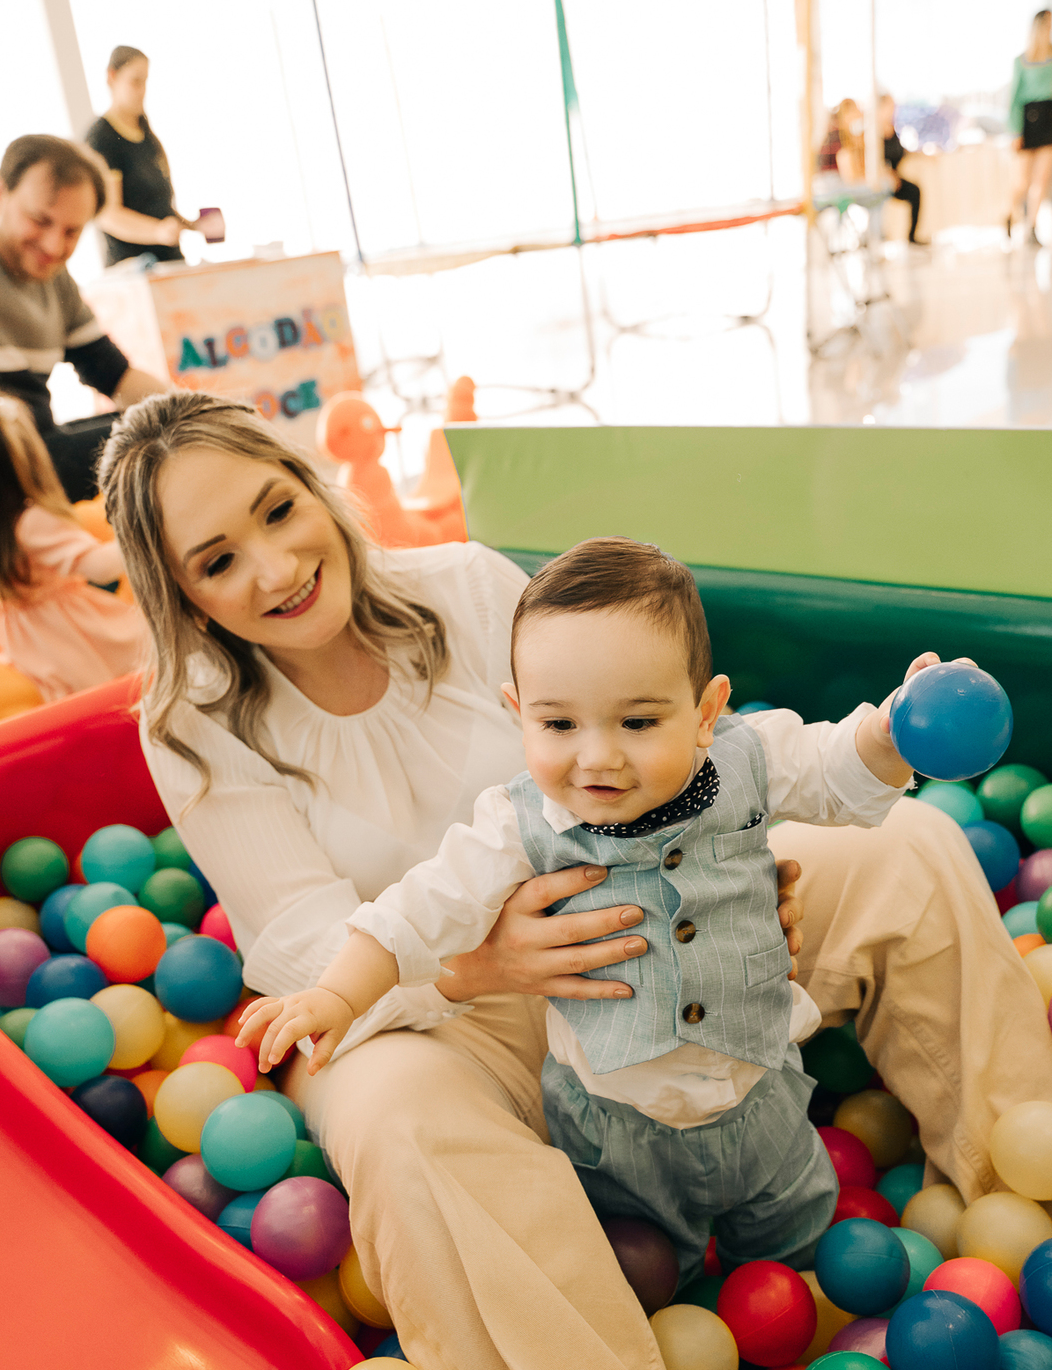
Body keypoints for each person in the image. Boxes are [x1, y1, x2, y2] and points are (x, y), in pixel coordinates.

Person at [101, 387, 1052, 1370]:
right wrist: (484, 965)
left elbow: (660, 743)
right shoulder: (192, 725)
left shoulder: (466, 588)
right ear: (183, 595)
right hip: (430, 1009)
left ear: (313, 486)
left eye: (278, 510)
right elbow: (300, 948)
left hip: (647, 937)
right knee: (398, 1127)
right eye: (219, 561)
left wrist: (736, 881)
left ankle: (1031, 1230)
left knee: (914, 849)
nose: (278, 567)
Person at [238, 537, 930, 1282]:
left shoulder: (748, 757)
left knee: (797, 1236)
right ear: (519, 713)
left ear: (706, 711)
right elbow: (418, 910)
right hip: (612, 1124)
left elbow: (835, 766)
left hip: (759, 1087)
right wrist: (338, 994)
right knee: (642, 1268)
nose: (597, 756)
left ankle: (798, 1289)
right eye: (560, 725)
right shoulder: (515, 824)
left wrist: (894, 730)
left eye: (638, 723)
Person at [0, 135, 169, 500]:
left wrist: (199, 411)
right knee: (158, 445)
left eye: (72, 232)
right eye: (39, 220)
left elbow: (116, 376)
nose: (53, 246)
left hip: (41, 451)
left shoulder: (57, 283)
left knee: (167, 426)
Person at [0, 390, 146, 701]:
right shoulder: (31, 522)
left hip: (17, 648)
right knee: (141, 660)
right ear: (25, 458)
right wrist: (145, 529)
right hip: (62, 640)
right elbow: (100, 568)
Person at [86, 47, 201, 268]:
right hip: (136, 267)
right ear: (112, 77)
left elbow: (158, 205)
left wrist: (193, 225)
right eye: (135, 81)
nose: (142, 91)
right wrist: (157, 232)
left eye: (145, 82)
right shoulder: (102, 139)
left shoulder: (148, 135)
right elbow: (108, 214)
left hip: (171, 262)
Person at [1008, 10, 1052, 245]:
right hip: (1028, 120)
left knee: (1042, 180)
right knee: (1022, 181)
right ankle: (1010, 215)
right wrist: (1016, 131)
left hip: (1051, 120)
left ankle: (1032, 227)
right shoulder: (1021, 61)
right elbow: (1015, 99)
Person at [879, 94, 925, 245]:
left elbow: (901, 151)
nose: (894, 110)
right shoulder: (874, 132)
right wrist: (889, 174)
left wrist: (922, 153)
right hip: (882, 180)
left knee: (915, 191)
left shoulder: (893, 129)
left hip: (895, 179)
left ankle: (912, 237)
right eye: (891, 107)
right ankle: (880, 238)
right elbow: (876, 160)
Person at [816, 98, 865, 182]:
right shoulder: (838, 137)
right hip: (831, 181)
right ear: (847, 114)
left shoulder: (839, 133)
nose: (859, 114)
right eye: (855, 111)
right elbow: (850, 177)